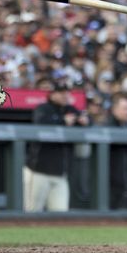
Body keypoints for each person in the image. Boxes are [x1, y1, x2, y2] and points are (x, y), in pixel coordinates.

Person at [24, 80, 83, 212]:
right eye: (60, 92)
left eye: (66, 93)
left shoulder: (70, 109)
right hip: (38, 172)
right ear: (52, 94)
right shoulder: (43, 108)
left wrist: (84, 121)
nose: (64, 95)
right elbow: (41, 123)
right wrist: (62, 121)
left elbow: (85, 119)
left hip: (60, 174)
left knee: (61, 215)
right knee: (32, 212)